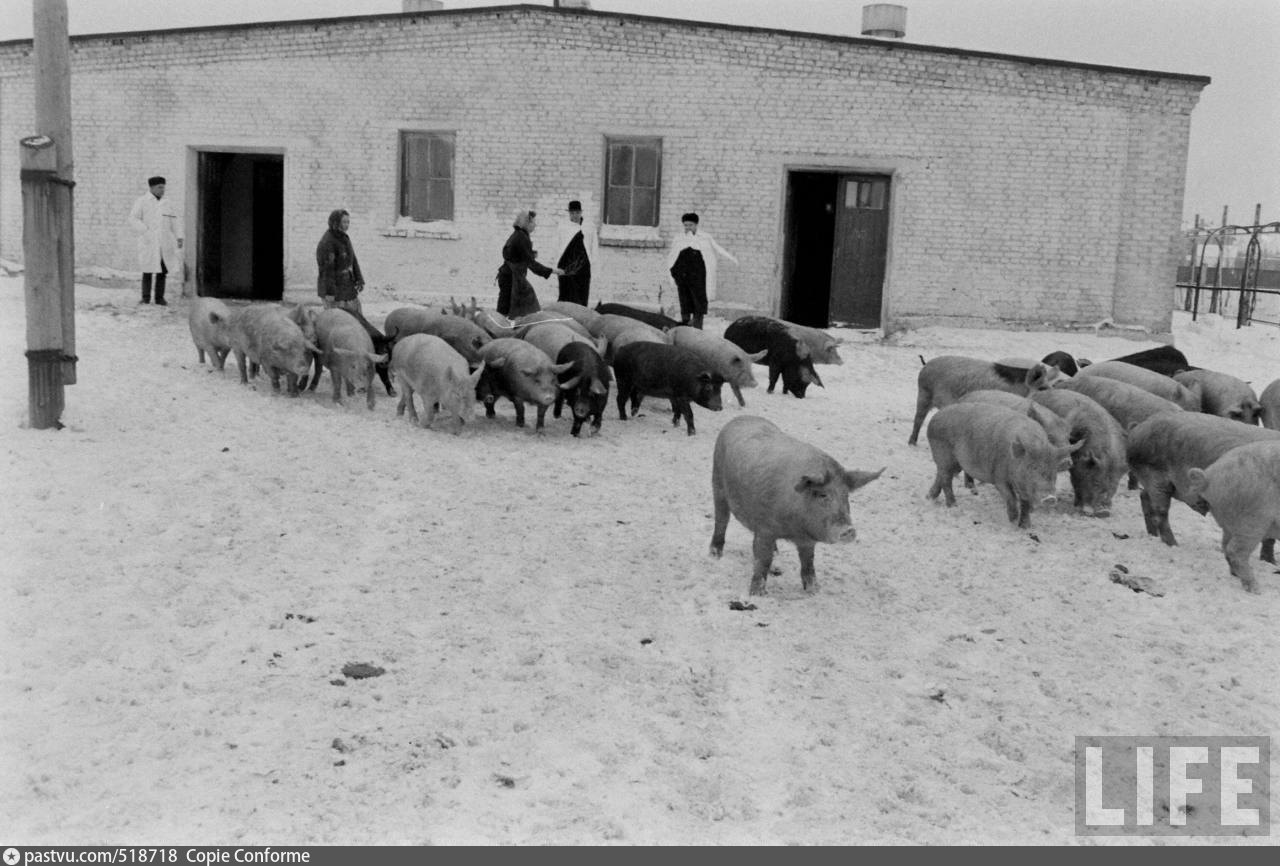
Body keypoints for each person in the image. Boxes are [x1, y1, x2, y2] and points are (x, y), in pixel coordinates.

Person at [665, 212, 737, 329]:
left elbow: (717, 248)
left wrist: (731, 258)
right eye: (686, 225)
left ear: (696, 225)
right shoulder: (679, 238)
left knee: (698, 304)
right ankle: (685, 328)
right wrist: (674, 275)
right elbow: (672, 256)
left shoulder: (704, 238)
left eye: (690, 225)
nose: (688, 228)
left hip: (698, 277)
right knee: (685, 303)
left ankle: (698, 329)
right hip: (683, 277)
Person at [496, 210, 562, 318]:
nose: (535, 225)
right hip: (511, 279)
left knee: (506, 309)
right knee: (507, 310)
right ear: (526, 223)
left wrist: (530, 254)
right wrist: (554, 271)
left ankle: (502, 330)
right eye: (533, 222)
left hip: (508, 276)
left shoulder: (518, 235)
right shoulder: (522, 237)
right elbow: (532, 265)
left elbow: (515, 255)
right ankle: (500, 332)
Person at [128, 175, 182, 306]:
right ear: (151, 187)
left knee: (162, 271)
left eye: (163, 187)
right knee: (147, 270)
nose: (162, 190)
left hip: (164, 243)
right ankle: (145, 298)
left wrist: (179, 236)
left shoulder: (167, 203)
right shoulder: (142, 201)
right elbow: (133, 219)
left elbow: (174, 221)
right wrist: (145, 231)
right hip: (149, 242)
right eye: (159, 187)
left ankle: (159, 298)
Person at [316, 208, 365, 314]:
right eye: (344, 222)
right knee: (339, 319)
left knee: (356, 316)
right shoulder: (327, 242)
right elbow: (326, 270)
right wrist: (330, 292)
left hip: (347, 285)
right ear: (335, 222)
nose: (347, 225)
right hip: (334, 289)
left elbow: (353, 259)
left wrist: (359, 278)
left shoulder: (344, 238)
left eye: (348, 222)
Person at [554, 200, 598, 306]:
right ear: (569, 213)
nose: (575, 216)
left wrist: (593, 264)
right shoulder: (563, 227)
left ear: (581, 213)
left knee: (582, 295)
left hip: (583, 267)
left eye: (577, 213)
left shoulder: (589, 227)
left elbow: (594, 247)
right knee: (566, 296)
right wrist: (557, 266)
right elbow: (557, 247)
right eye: (572, 213)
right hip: (566, 266)